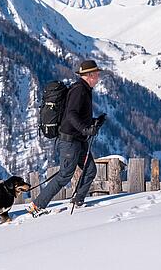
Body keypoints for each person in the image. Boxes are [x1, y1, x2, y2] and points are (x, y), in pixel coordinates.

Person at [31, 60, 107, 214]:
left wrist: (94, 122)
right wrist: (85, 129)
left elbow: (76, 115)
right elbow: (71, 115)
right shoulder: (79, 90)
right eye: (96, 74)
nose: (98, 77)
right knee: (65, 175)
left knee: (90, 170)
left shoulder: (84, 89)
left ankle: (78, 200)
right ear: (90, 75)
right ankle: (37, 205)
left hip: (79, 140)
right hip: (69, 141)